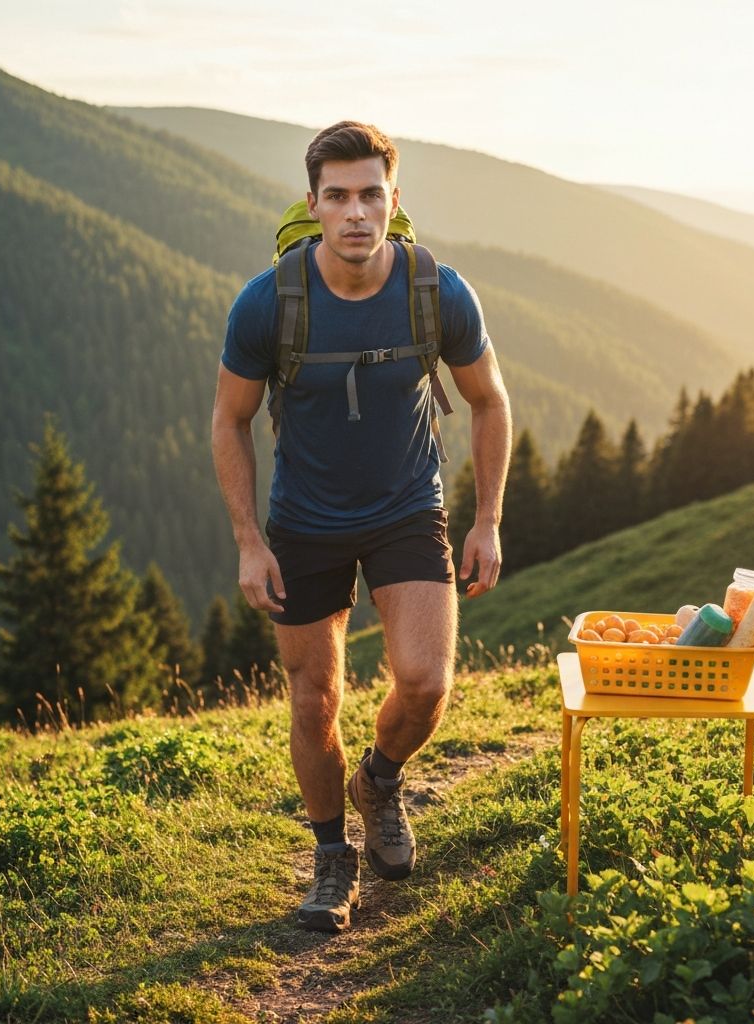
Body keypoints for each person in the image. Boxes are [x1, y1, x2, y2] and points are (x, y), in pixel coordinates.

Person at [211, 121, 511, 933]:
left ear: (393, 200)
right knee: (314, 703)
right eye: (337, 196)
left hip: (408, 508)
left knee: (425, 684)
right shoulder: (268, 302)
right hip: (304, 524)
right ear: (312, 204)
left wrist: (486, 519)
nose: (355, 212)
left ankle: (378, 780)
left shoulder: (435, 291)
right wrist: (248, 538)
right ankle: (331, 858)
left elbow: (489, 400)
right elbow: (229, 419)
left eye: (370, 194)